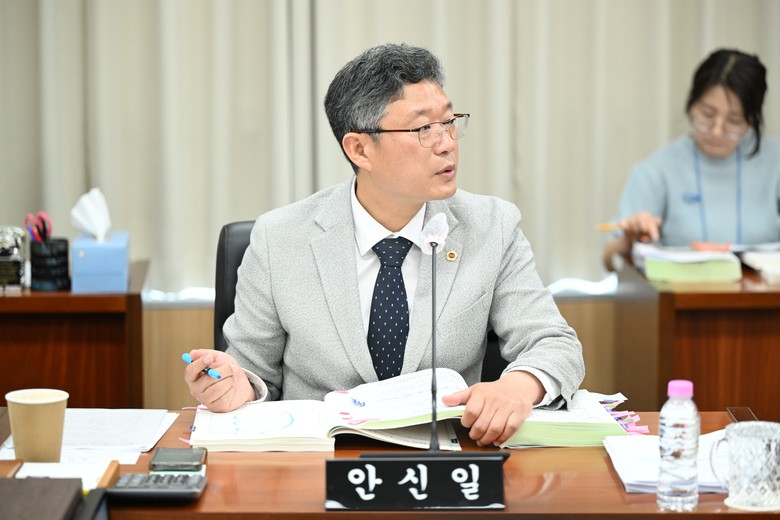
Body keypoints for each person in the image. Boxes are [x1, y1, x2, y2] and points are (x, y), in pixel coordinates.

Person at [185, 43, 584, 447]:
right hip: (319, 461)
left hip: (445, 460)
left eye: (449, 122)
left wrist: (519, 385)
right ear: (360, 149)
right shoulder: (279, 238)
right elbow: (251, 373)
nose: (446, 143)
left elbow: (554, 344)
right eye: (423, 129)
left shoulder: (491, 226)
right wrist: (234, 385)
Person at [603, 48, 780, 272]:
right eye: (707, 115)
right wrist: (629, 240)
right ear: (692, 103)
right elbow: (609, 260)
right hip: (680, 294)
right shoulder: (656, 170)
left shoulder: (775, 161)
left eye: (734, 121)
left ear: (753, 118)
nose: (717, 131)